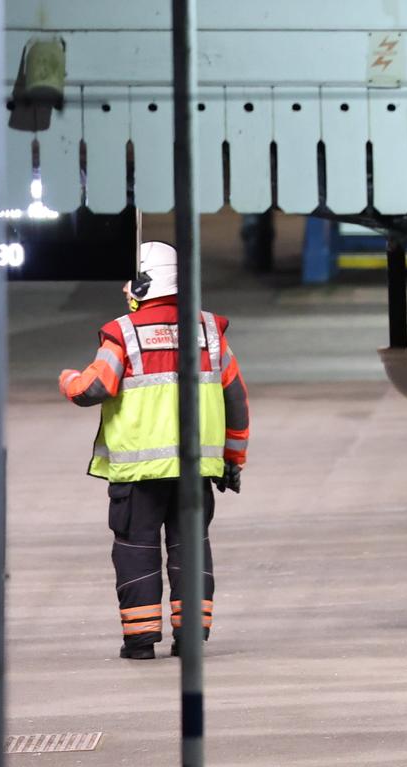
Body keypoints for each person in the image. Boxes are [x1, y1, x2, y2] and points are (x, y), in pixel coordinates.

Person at [58, 241, 249, 660]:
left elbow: (95, 387)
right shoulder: (209, 333)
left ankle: (141, 641)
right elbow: (235, 398)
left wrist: (68, 378)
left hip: (139, 476)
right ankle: (191, 638)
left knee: (135, 550)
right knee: (190, 548)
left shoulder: (123, 334)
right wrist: (233, 460)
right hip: (196, 470)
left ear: (142, 284)